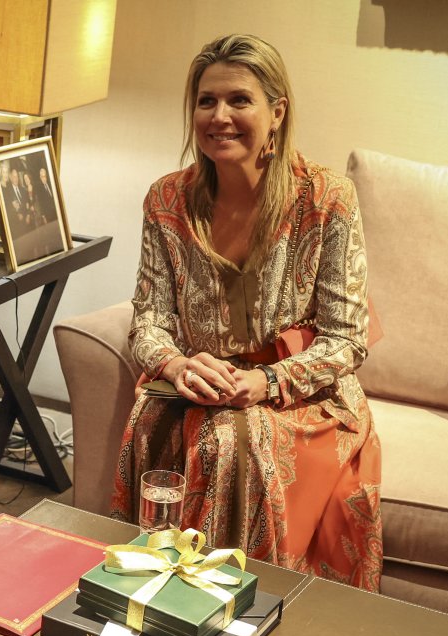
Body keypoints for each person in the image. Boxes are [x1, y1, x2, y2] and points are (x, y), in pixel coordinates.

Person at [110, 34, 383, 591]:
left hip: (300, 396)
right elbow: (149, 321)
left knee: (230, 442)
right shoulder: (166, 199)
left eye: (239, 100)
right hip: (202, 384)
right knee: (153, 417)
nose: (219, 117)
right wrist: (176, 365)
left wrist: (268, 381)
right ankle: (149, 597)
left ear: (277, 112)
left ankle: (233, 605)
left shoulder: (327, 198)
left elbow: (347, 339)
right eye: (206, 101)